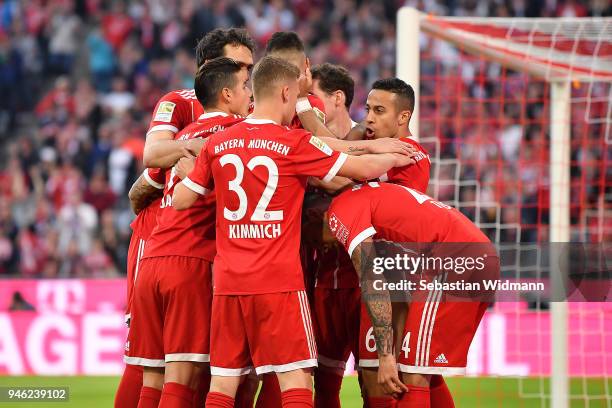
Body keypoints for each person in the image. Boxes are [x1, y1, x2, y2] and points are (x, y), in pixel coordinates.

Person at [171, 56, 416, 408]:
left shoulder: (217, 143)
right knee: (296, 378)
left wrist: (188, 172)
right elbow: (359, 169)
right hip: (278, 283)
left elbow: (181, 201)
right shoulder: (292, 144)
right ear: (287, 92)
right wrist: (394, 154)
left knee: (223, 382)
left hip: (227, 283)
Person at [115, 28, 256, 408]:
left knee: (188, 368)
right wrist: (196, 148)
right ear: (213, 68)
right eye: (240, 67)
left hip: (202, 244)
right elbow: (153, 153)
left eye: (250, 68)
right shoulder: (179, 101)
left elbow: (149, 179)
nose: (248, 77)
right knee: (162, 363)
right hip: (173, 239)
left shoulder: (246, 111)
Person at [327, 182, 499, 407]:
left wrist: (386, 356)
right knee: (423, 368)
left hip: (453, 259)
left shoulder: (340, 210)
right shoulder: (375, 196)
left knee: (413, 375)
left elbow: (372, 281)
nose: (320, 248)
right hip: (473, 255)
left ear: (314, 218)